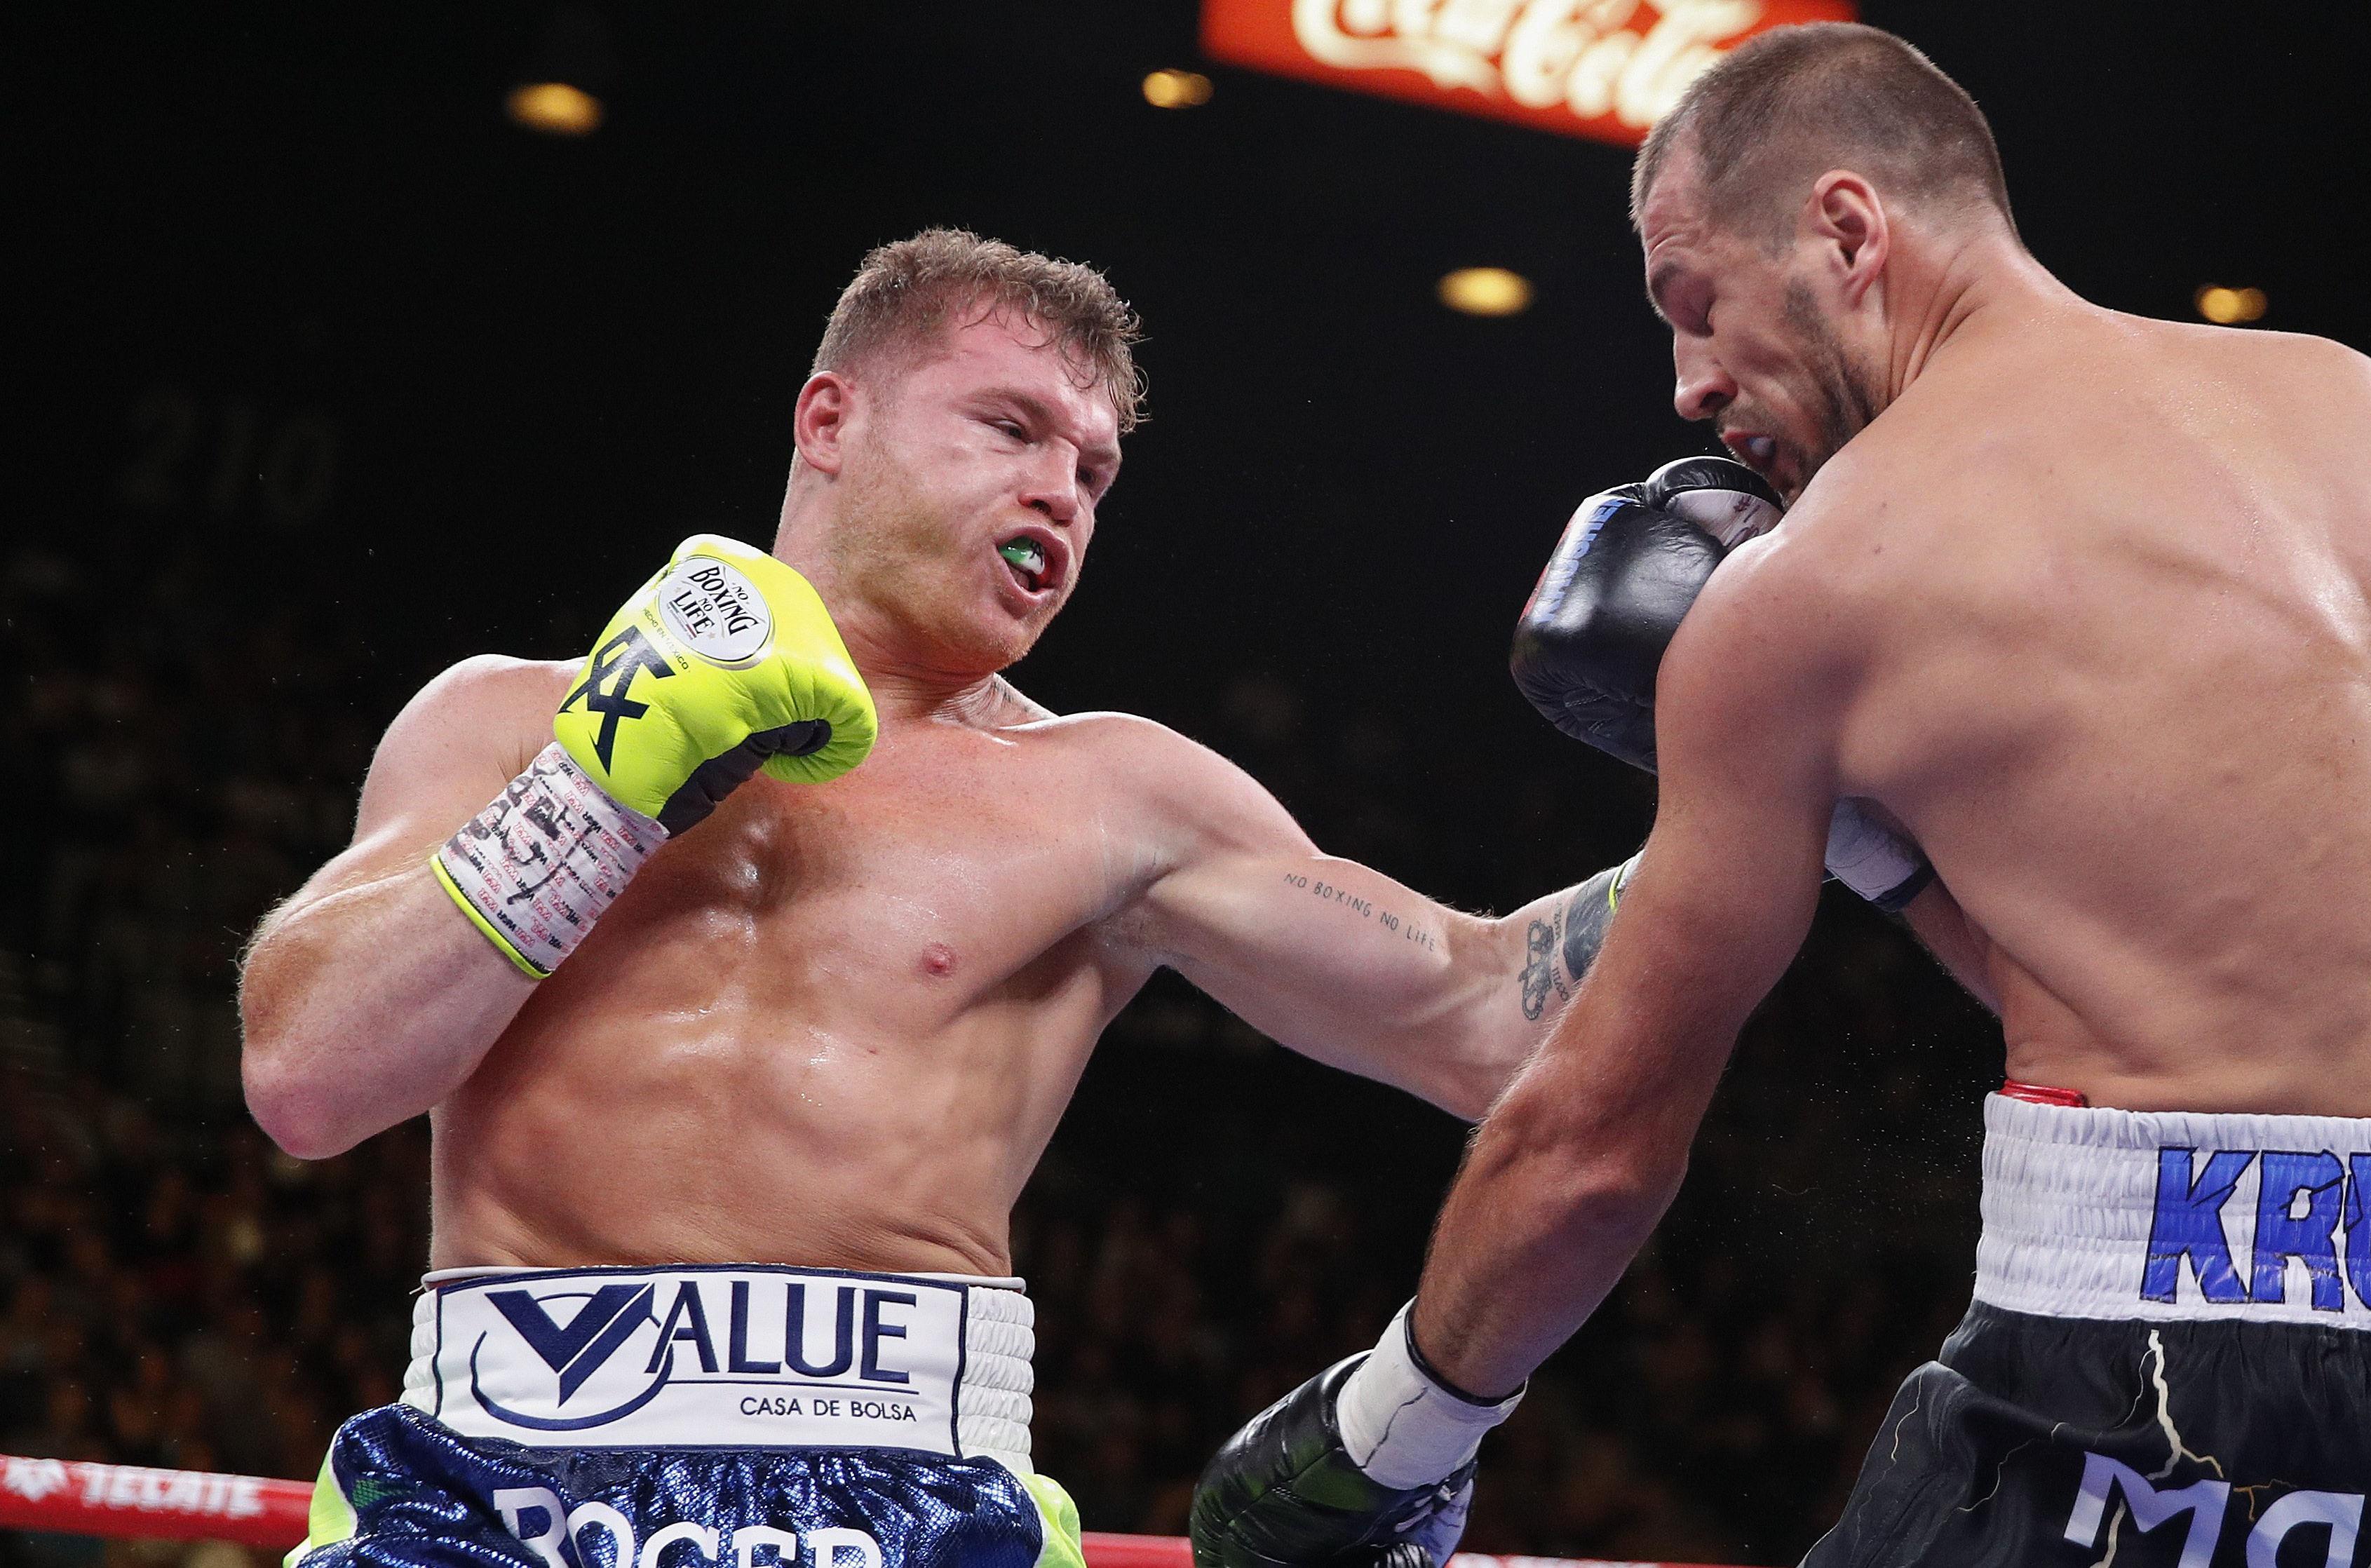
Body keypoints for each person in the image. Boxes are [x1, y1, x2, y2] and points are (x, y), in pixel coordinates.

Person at [1192, 23, 2371, 1568]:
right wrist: (1871, 836)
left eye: (1688, 300)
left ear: (1846, 229)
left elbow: (1589, 1146)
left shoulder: (1820, 579)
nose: (1687, 381)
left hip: (2138, 1387)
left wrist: (1389, 1435)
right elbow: (2187, 996)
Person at [234, 229, 1656, 1568]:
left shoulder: (1112, 794)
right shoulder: (502, 722)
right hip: (491, 1484)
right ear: (829, 420)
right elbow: (308, 1076)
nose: (1062, 490)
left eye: (1095, 471)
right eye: (1012, 426)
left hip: (906, 1493)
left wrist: (1778, 763)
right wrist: (600, 784)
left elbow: (1482, 1014)